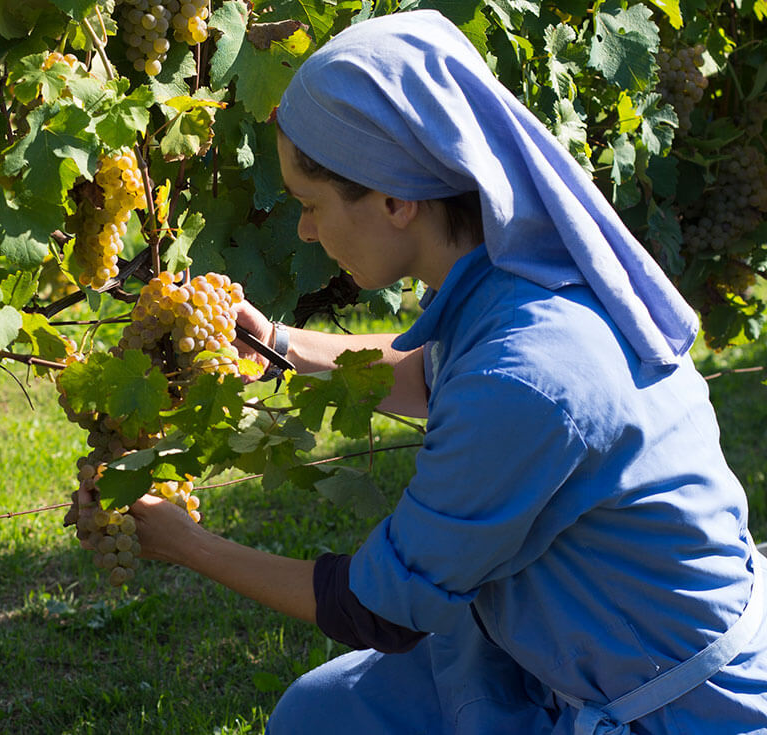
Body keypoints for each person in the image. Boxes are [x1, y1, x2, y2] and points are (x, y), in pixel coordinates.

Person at [114, 10, 767, 734]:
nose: (303, 229)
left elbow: (378, 607)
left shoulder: (527, 375)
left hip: (676, 708)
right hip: (563, 649)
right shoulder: (514, 275)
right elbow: (436, 372)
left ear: (395, 200)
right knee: (319, 715)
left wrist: (181, 541)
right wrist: (276, 347)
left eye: (311, 205)